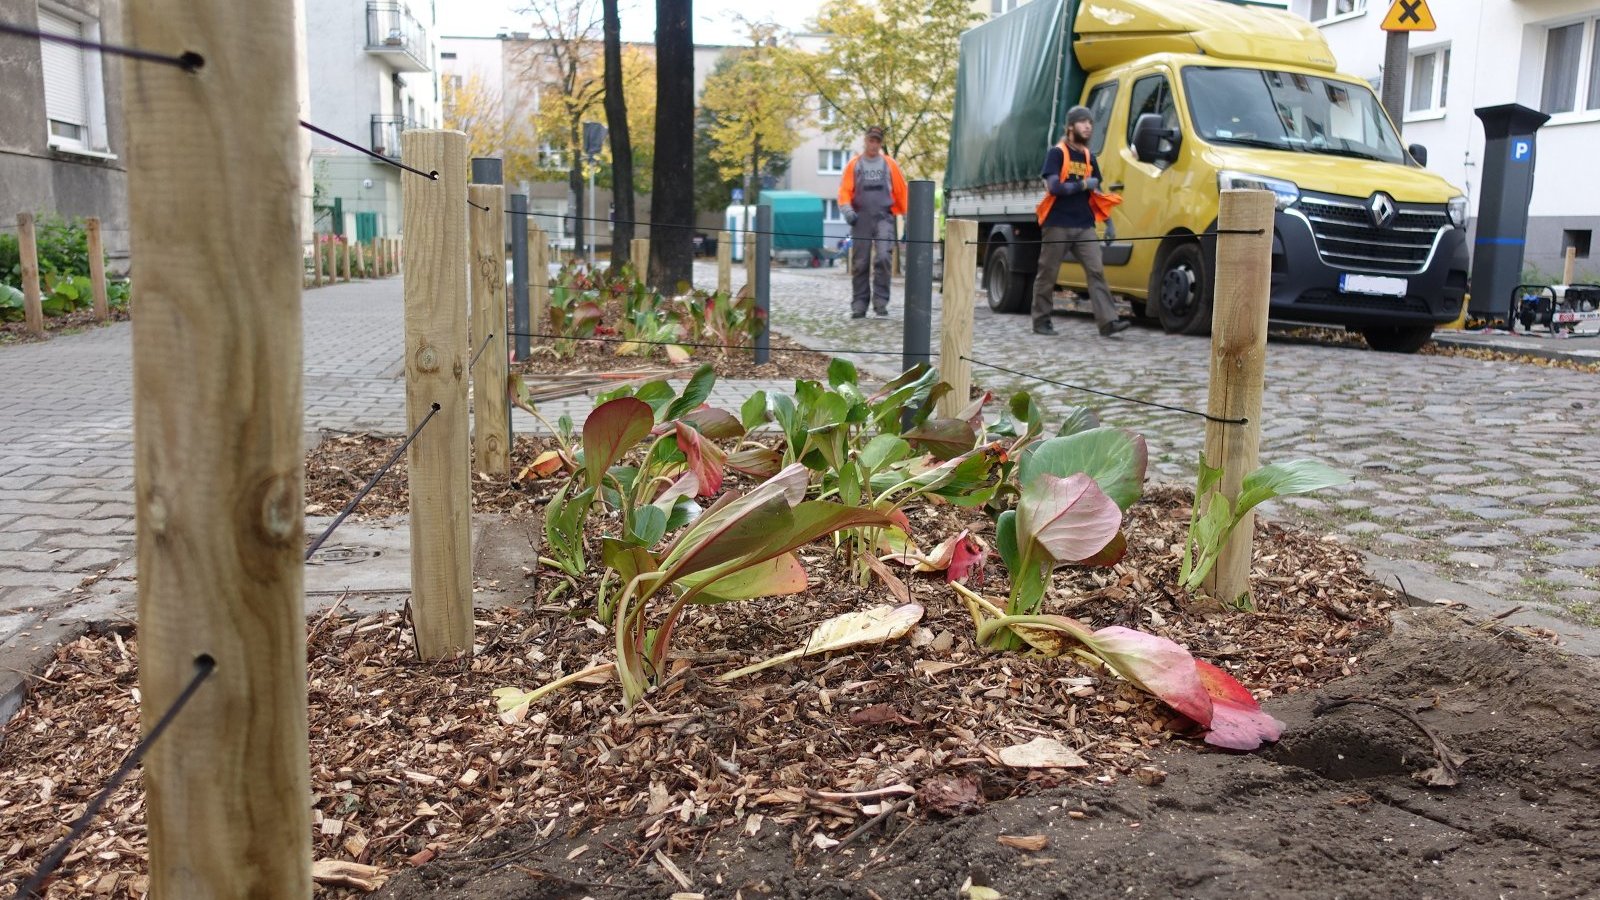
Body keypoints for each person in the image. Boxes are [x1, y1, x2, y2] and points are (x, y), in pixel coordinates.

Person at [1032, 106, 1129, 337]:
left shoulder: (1089, 157)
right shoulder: (1057, 153)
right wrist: (1082, 185)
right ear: (1070, 126)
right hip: (1057, 224)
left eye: (1090, 123)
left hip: (1084, 225)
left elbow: (1098, 193)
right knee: (1048, 273)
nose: (1087, 126)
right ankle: (1041, 320)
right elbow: (1054, 187)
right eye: (1082, 122)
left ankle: (1108, 322)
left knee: (1096, 271)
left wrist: (1109, 223)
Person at [838, 125, 909, 318]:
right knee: (860, 262)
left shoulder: (890, 165)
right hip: (860, 218)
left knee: (884, 258)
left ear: (881, 143)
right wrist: (847, 211)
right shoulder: (855, 165)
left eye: (877, 141)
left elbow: (901, 192)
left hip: (884, 217)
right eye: (871, 140)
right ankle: (859, 305)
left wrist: (907, 216)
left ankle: (880, 302)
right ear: (865, 141)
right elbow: (844, 191)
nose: (874, 144)